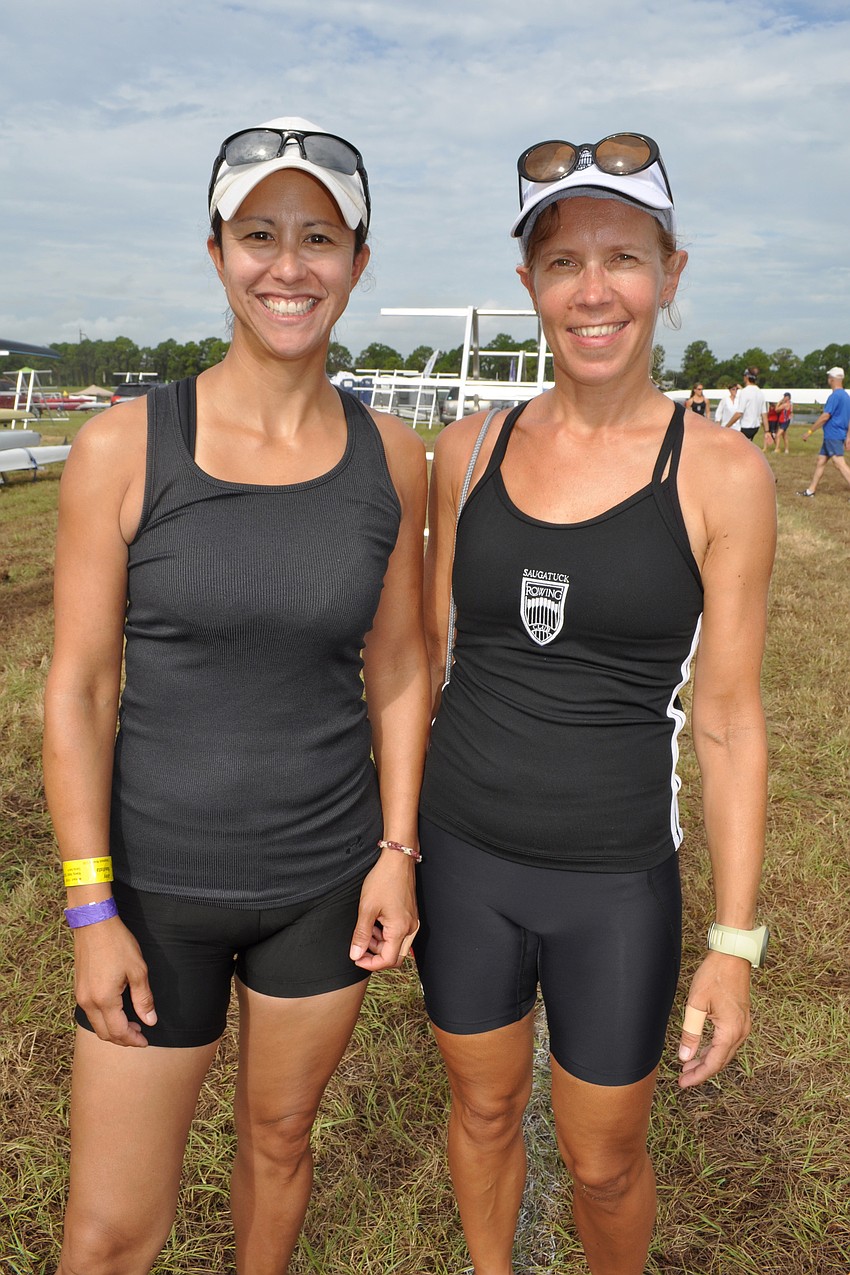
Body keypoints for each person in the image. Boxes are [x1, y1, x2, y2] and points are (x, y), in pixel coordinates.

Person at [43, 116, 430, 1275]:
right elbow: (80, 685)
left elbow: (402, 666)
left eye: (320, 238)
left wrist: (396, 850)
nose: (289, 265)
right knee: (111, 1233)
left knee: (278, 1141)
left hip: (323, 879)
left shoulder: (393, 456)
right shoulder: (122, 446)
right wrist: (89, 908)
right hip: (155, 894)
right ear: (216, 252)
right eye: (260, 234)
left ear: (358, 264)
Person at [417, 132, 775, 1275]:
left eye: (622, 258)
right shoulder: (465, 452)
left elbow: (726, 720)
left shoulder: (720, 472)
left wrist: (733, 946)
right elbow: (429, 659)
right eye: (563, 262)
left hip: (613, 877)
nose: (593, 290)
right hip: (464, 862)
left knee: (604, 1158)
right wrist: (393, 849)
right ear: (529, 284)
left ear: (670, 274)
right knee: (479, 1114)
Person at [796, 367, 850, 497]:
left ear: (832, 379)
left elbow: (825, 416)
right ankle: (811, 490)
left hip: (833, 435)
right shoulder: (846, 396)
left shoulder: (835, 396)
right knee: (821, 461)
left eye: (829, 378)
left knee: (839, 463)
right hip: (836, 434)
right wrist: (848, 436)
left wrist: (810, 431)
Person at [725, 367, 768, 442]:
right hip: (756, 427)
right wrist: (767, 431)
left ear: (747, 377)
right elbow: (764, 414)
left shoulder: (745, 392)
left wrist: (727, 426)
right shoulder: (760, 392)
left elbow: (739, 413)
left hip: (746, 426)